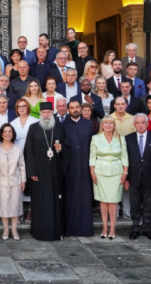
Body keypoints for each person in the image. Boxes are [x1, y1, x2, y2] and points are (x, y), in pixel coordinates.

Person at [24, 102, 65, 241]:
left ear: (52, 113)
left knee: (54, 202)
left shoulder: (59, 127)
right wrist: (31, 172)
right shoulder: (33, 128)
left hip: (54, 172)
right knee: (40, 202)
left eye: (49, 112)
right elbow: (28, 151)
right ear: (40, 114)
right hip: (39, 174)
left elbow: (67, 147)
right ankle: (39, 232)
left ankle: (55, 232)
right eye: (44, 113)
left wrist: (60, 149)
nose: (46, 115)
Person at [124, 114, 151, 240]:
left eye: (143, 123)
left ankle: (147, 228)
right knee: (134, 204)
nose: (140, 125)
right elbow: (125, 160)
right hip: (133, 177)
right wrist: (126, 178)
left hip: (150, 178)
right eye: (138, 123)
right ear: (134, 124)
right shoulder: (127, 139)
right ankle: (135, 227)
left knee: (148, 203)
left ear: (147, 124)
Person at [90, 116, 129, 239]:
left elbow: (124, 156)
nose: (108, 125)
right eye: (105, 123)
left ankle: (112, 228)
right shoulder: (95, 138)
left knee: (113, 201)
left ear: (114, 125)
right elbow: (92, 157)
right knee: (103, 201)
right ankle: (104, 228)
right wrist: (92, 172)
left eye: (110, 123)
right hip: (100, 172)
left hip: (116, 173)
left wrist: (125, 173)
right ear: (102, 125)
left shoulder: (121, 138)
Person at [62, 100, 95, 237]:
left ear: (81, 109)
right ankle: (70, 229)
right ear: (68, 110)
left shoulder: (88, 124)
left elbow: (93, 146)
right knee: (70, 199)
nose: (75, 110)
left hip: (86, 167)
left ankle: (85, 229)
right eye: (72, 108)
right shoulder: (63, 125)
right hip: (70, 168)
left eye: (77, 107)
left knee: (85, 198)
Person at [0, 124, 26, 241]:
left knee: (15, 206)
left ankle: (14, 229)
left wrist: (23, 181)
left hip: (15, 181)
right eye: (5, 132)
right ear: (1, 134)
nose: (7, 134)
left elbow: (22, 166)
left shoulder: (18, 149)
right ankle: (6, 229)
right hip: (0, 182)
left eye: (10, 131)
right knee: (3, 207)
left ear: (13, 134)